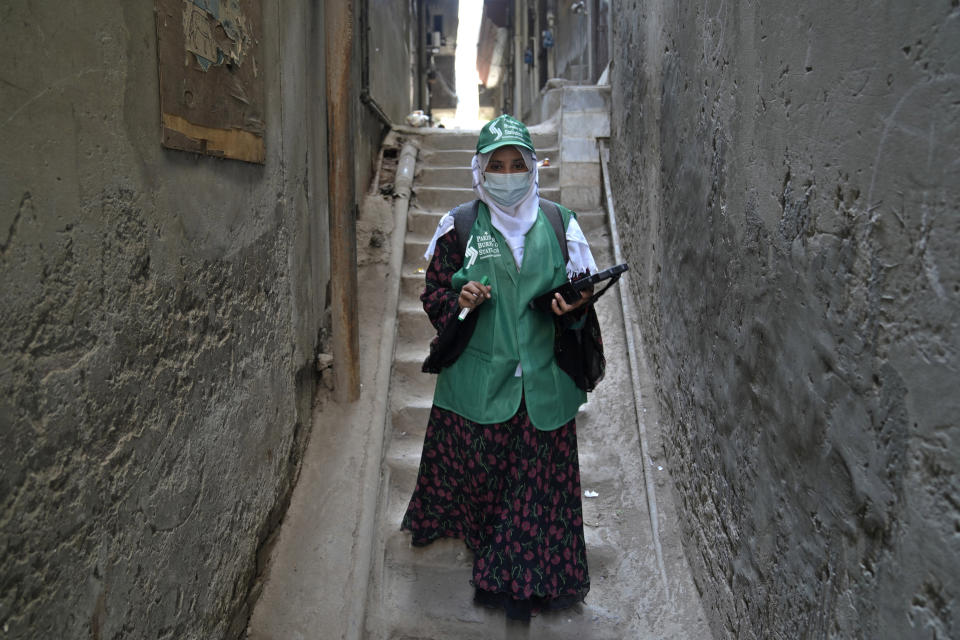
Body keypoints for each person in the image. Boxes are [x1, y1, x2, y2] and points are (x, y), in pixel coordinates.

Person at [401, 114, 598, 621]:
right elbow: (435, 291)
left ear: (533, 168)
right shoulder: (461, 226)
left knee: (534, 492)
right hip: (480, 379)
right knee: (487, 483)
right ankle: (486, 549)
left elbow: (584, 299)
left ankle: (521, 580)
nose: (508, 174)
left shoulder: (562, 224)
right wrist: (461, 298)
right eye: (497, 165)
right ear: (481, 170)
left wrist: (572, 308)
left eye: (517, 164)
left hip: (542, 386)